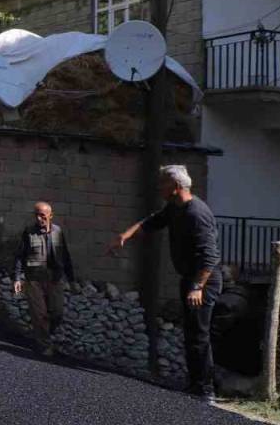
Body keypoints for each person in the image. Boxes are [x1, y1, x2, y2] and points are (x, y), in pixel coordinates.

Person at [110, 165, 221, 405]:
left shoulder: (197, 214)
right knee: (191, 333)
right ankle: (194, 383)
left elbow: (210, 256)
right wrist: (125, 236)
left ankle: (206, 389)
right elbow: (153, 221)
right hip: (190, 279)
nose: (159, 187)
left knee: (199, 334)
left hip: (204, 281)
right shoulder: (175, 208)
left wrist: (198, 286)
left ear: (177, 187)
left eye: (163, 184)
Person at [13, 201, 75, 357]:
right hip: (34, 279)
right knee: (39, 314)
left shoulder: (58, 232)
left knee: (57, 313)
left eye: (42, 215)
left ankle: (42, 332)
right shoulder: (29, 232)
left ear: (50, 216)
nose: (39, 219)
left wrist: (71, 279)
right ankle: (44, 345)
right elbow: (20, 257)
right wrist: (17, 278)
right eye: (36, 215)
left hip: (55, 279)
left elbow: (65, 256)